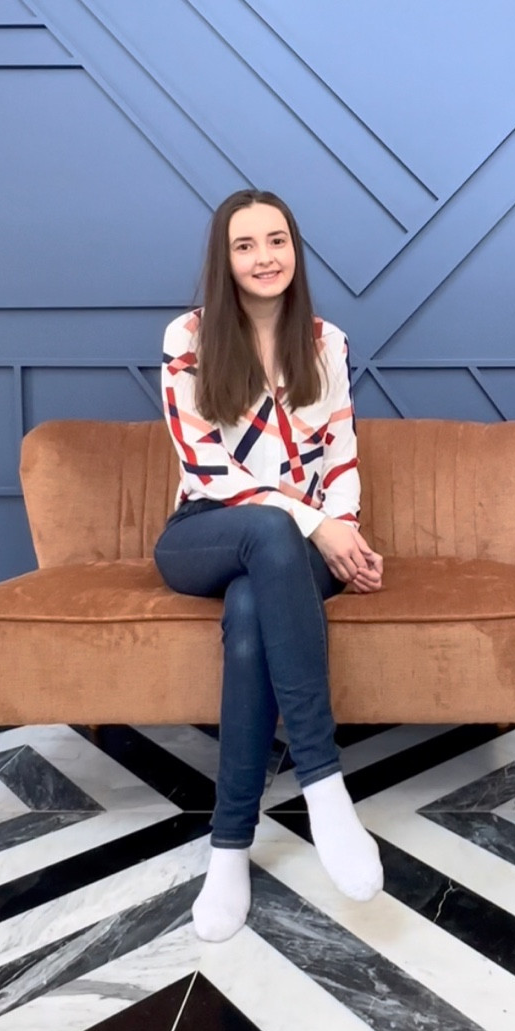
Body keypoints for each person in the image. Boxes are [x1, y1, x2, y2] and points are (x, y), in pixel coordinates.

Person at [155, 188, 385, 942]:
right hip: (206, 531)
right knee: (265, 528)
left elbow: (342, 456)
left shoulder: (325, 342)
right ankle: (324, 781)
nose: (264, 258)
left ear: (295, 249)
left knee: (253, 604)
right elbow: (209, 470)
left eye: (276, 240)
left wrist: (342, 531)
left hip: (295, 552)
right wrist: (317, 523)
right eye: (245, 245)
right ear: (224, 260)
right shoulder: (187, 339)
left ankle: (228, 850)